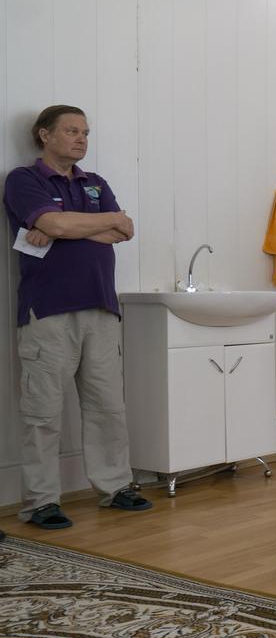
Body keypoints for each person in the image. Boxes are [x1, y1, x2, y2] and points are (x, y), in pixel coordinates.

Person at [3, 105, 153, 529]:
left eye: (85, 132)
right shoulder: (23, 180)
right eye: (71, 130)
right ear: (44, 134)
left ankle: (115, 487)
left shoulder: (95, 183)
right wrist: (69, 224)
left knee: (108, 406)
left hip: (101, 308)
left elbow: (123, 231)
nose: (81, 138)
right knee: (43, 411)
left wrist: (68, 226)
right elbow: (58, 223)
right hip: (47, 311)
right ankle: (41, 501)